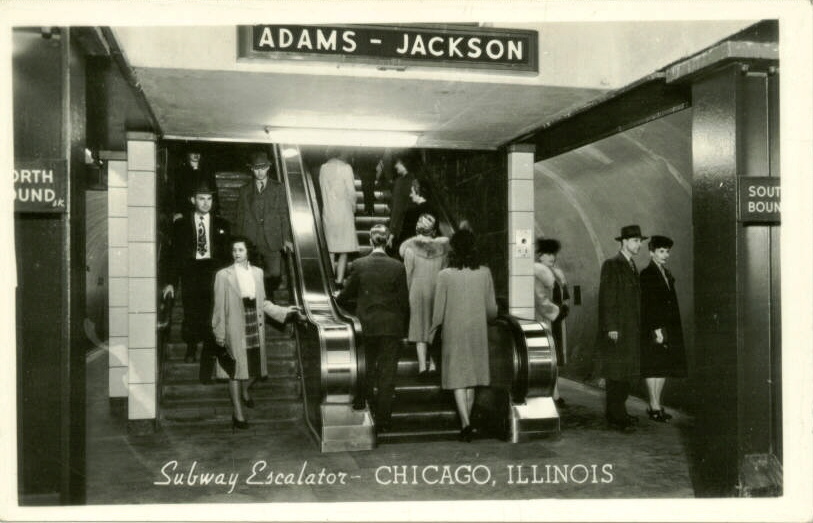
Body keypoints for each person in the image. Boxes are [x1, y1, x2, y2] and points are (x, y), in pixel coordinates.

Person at [212, 236, 302, 430]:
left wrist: (284, 311)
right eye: (234, 250)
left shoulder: (258, 273)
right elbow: (218, 308)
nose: (237, 253)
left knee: (255, 366)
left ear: (248, 252)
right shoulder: (223, 275)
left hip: (254, 321)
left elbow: (263, 303)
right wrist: (219, 333)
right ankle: (238, 413)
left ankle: (244, 390)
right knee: (234, 370)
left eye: (240, 250)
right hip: (234, 326)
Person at [336, 224, 409, 432]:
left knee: (366, 368)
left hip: (366, 326)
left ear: (370, 240)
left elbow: (346, 295)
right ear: (388, 241)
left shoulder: (359, 264)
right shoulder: (398, 266)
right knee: (387, 374)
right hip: (391, 327)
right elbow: (404, 302)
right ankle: (384, 420)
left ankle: (365, 409)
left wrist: (338, 297)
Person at [429, 229, 498, 442]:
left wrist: (432, 334)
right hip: (477, 330)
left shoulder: (444, 275)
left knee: (458, 377)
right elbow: (491, 310)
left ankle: (465, 423)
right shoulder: (485, 273)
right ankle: (466, 423)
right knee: (471, 379)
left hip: (454, 331)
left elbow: (438, 312)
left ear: (453, 249)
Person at [162, 180, 231, 382]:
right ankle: (191, 346)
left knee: (211, 311)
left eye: (209, 199)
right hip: (191, 271)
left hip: (213, 271)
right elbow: (174, 255)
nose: (206, 203)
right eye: (201, 199)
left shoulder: (222, 224)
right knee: (191, 310)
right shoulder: (181, 224)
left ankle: (208, 354)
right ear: (193, 200)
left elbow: (227, 255)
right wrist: (171, 282)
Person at [598, 224, 646, 432]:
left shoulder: (631, 265)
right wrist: (611, 327)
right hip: (618, 329)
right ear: (624, 242)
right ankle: (616, 416)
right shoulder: (612, 264)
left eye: (640, 241)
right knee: (616, 373)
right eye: (635, 241)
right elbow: (607, 298)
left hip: (631, 328)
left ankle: (620, 412)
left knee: (626, 372)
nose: (639, 245)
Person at [640, 235, 687, 422]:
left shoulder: (665, 273)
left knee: (663, 367)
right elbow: (648, 305)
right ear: (651, 253)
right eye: (661, 251)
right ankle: (653, 406)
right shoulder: (647, 274)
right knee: (653, 367)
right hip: (655, 328)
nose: (666, 255)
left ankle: (656, 403)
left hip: (668, 326)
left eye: (667, 252)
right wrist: (657, 329)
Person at [235, 150, 293, 296]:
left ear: (268, 167)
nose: (260, 172)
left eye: (262, 168)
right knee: (252, 273)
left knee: (275, 273)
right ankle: (262, 299)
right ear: (251, 169)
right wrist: (239, 241)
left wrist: (286, 239)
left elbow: (283, 214)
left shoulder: (279, 188)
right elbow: (240, 216)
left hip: (273, 238)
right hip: (251, 239)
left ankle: (267, 296)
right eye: (256, 169)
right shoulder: (244, 190)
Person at [399, 213, 450, 376]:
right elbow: (444, 272)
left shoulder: (410, 249)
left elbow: (408, 274)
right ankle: (434, 365)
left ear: (417, 228)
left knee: (419, 326)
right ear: (433, 231)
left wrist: (407, 294)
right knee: (435, 327)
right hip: (437, 289)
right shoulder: (443, 249)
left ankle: (422, 367)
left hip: (417, 290)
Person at [534, 237, 570, 407]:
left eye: (553, 254)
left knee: (555, 357)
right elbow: (540, 299)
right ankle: (551, 393)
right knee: (548, 356)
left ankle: (554, 392)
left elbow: (565, 295)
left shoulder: (557, 273)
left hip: (556, 320)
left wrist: (565, 306)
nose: (552, 257)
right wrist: (558, 311)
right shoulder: (538, 273)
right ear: (539, 255)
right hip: (546, 319)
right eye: (548, 254)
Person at [318, 149, 359, 286]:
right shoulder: (346, 168)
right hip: (344, 213)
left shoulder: (323, 168)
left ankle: (329, 279)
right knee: (343, 249)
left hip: (328, 212)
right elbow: (351, 192)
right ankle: (339, 280)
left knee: (330, 249)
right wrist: (354, 207)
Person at [173, 150, 217, 221]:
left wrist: (215, 212)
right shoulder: (181, 171)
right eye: (193, 151)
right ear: (188, 154)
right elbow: (177, 193)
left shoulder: (207, 171)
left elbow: (213, 191)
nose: (196, 154)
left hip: (204, 210)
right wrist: (179, 211)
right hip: (186, 210)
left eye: (198, 152)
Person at [397, 178, 437, 253]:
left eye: (412, 192)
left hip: (414, 252)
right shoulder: (435, 211)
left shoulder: (411, 213)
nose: (410, 195)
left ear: (418, 192)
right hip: (430, 251)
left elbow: (404, 238)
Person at [387, 153, 417, 254]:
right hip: (412, 226)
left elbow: (397, 208)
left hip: (400, 229)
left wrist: (392, 232)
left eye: (398, 163)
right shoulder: (414, 180)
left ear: (405, 164)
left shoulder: (401, 182)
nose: (396, 165)